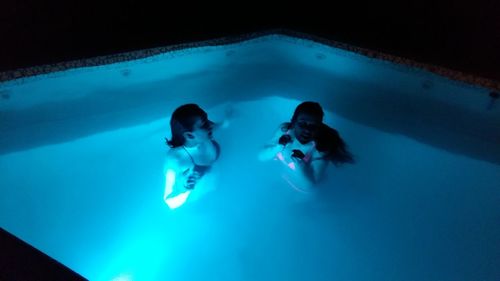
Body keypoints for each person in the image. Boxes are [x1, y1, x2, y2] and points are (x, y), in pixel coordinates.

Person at [258, 101, 354, 192]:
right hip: (281, 178)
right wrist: (278, 147)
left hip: (302, 192)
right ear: (293, 122)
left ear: (318, 128)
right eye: (302, 124)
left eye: (313, 126)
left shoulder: (321, 148)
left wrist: (301, 165)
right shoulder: (284, 130)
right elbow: (261, 157)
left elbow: (310, 186)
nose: (307, 130)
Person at [163, 104, 221, 209]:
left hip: (212, 169)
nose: (210, 124)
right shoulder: (175, 160)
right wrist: (185, 188)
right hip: (202, 201)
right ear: (189, 135)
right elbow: (169, 202)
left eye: (207, 120)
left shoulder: (202, 133)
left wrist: (227, 121)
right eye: (204, 125)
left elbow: (214, 126)